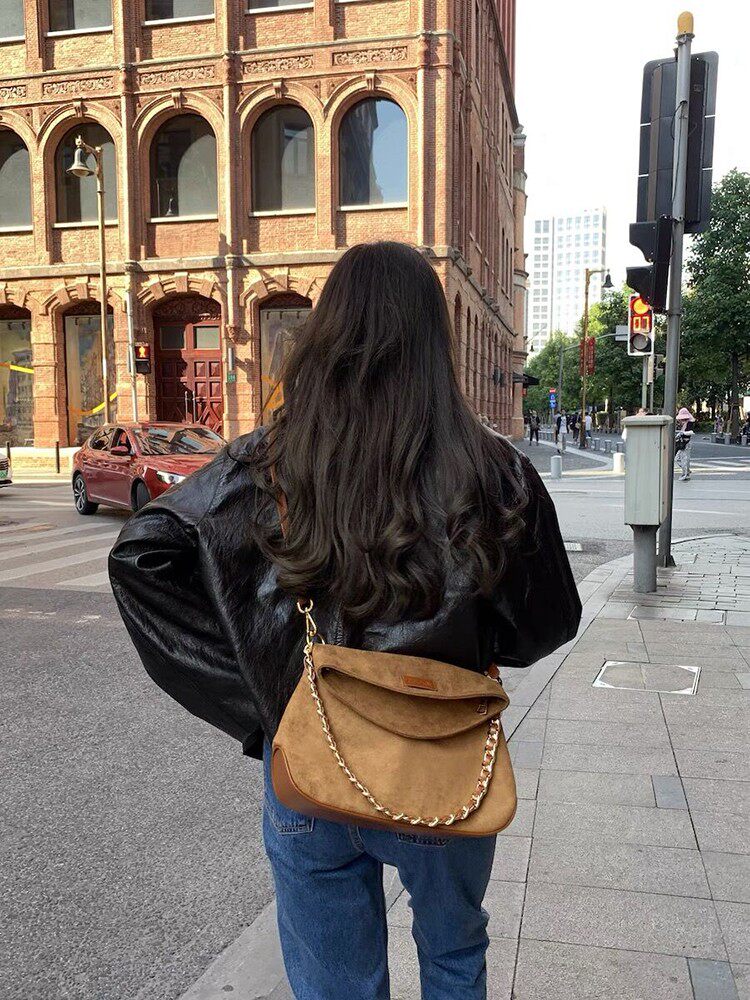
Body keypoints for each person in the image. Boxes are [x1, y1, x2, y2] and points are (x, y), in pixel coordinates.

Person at [109, 242, 580, 1000]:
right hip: (447, 758)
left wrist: (262, 702)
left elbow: (143, 555)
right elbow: (548, 625)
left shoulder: (266, 461)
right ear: (433, 343)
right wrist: (472, 638)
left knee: (335, 984)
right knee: (454, 955)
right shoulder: (495, 471)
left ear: (328, 333)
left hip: (310, 758)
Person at [675, 406, 695, 481]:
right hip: (683, 443)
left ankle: (685, 474)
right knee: (679, 459)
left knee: (684, 459)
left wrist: (682, 433)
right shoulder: (685, 424)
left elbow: (691, 432)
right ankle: (686, 472)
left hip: (685, 443)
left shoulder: (689, 423)